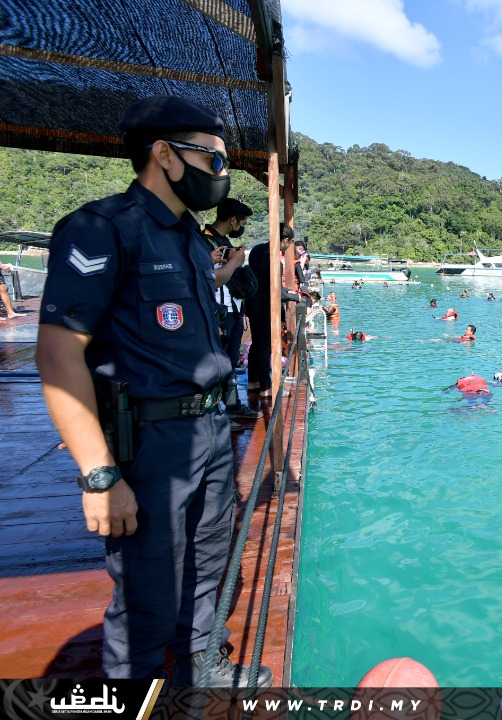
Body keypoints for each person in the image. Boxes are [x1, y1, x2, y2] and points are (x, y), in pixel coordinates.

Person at [35, 96, 270, 688]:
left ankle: (199, 668)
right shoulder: (104, 227)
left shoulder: (190, 239)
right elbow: (59, 353)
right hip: (150, 439)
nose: (221, 175)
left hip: (212, 429)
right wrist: (99, 474)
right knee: (147, 587)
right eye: (213, 161)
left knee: (208, 561)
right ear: (164, 155)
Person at [201, 198, 260, 422]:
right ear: (233, 220)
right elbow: (207, 279)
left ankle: (233, 407)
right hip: (218, 310)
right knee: (218, 362)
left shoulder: (223, 241)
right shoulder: (205, 242)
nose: (242, 227)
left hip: (233, 309)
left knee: (231, 359)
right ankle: (217, 414)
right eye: (242, 222)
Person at [246, 223, 295, 398]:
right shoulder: (274, 258)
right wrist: (294, 297)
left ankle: (253, 381)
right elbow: (276, 290)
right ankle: (267, 386)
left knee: (257, 343)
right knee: (265, 346)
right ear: (285, 240)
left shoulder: (257, 250)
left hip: (252, 303)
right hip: (266, 305)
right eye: (289, 242)